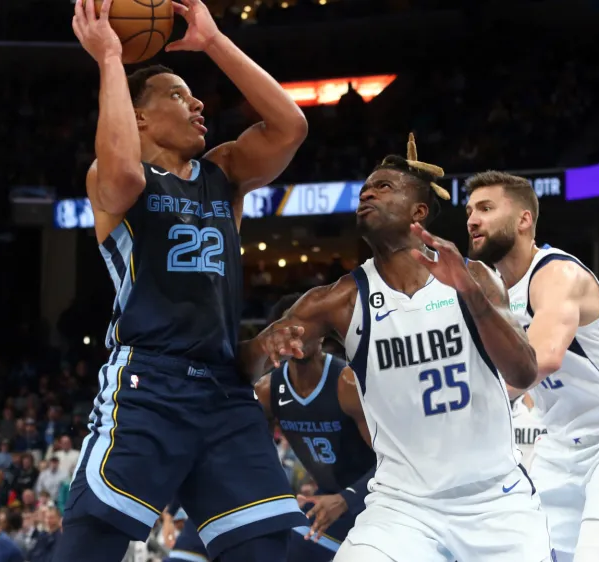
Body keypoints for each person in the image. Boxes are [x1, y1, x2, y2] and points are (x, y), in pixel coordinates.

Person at [64, 0, 310, 559]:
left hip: (224, 390)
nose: (198, 102)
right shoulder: (115, 178)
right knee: (90, 543)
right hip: (150, 382)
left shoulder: (223, 173)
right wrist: (109, 58)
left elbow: (291, 126)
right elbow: (124, 169)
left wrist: (215, 41)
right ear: (139, 116)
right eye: (177, 95)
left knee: (267, 549)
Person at [243, 135, 553, 561]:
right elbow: (245, 364)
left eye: (384, 186)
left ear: (418, 211)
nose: (368, 192)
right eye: (366, 188)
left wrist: (469, 294)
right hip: (402, 508)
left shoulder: (474, 277)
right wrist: (261, 346)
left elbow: (523, 372)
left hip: (496, 501)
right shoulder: (336, 301)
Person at [463, 171, 599, 562]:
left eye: (487, 208)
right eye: (470, 210)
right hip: (560, 447)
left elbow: (543, 357)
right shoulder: (488, 291)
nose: (472, 219)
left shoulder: (558, 274)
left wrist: (471, 408)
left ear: (524, 219)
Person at [170, 293, 377, 561]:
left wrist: (347, 498)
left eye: (306, 330)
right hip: (322, 503)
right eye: (290, 332)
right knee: (252, 540)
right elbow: (231, 453)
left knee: (291, 549)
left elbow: (391, 461)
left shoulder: (346, 383)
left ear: (322, 335)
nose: (298, 339)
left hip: (370, 500)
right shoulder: (268, 391)